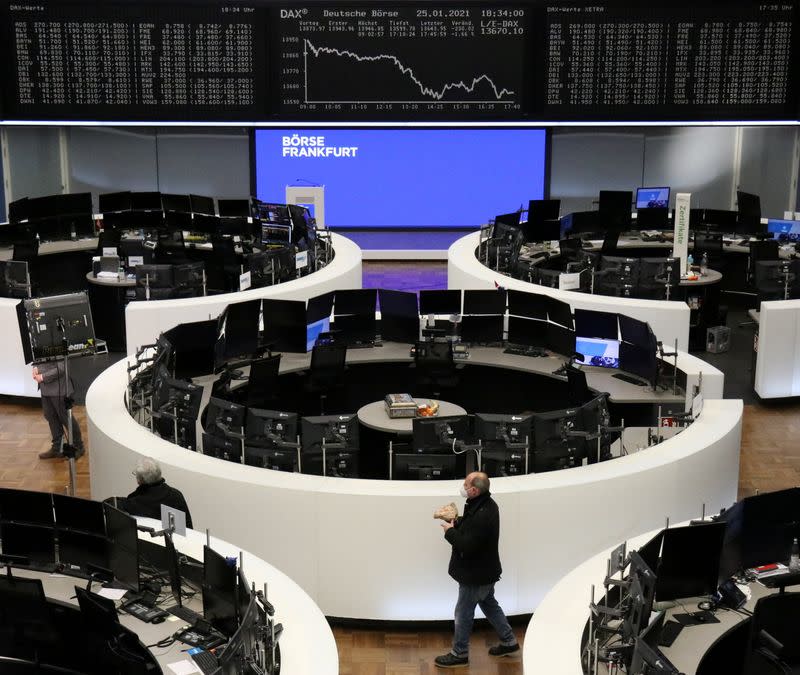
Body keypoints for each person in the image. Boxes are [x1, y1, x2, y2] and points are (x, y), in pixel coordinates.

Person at [434, 472, 519, 668]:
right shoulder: (484, 504)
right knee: (489, 604)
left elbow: (467, 545)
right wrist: (457, 521)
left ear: (474, 490)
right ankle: (509, 642)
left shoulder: (483, 513)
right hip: (484, 571)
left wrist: (449, 531)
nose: (462, 486)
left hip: (476, 574)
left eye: (465, 484)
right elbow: (471, 527)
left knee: (463, 612)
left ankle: (460, 653)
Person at [115, 457, 193, 528]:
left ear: (140, 480)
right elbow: (188, 529)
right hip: (175, 542)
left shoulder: (137, 500)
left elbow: (113, 504)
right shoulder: (176, 495)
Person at [32, 362, 84, 460]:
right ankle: (57, 448)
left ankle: (78, 447)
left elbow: (61, 368)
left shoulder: (57, 346)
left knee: (66, 418)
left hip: (59, 389)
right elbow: (37, 359)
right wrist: (35, 367)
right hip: (45, 389)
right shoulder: (38, 345)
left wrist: (43, 376)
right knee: (51, 417)